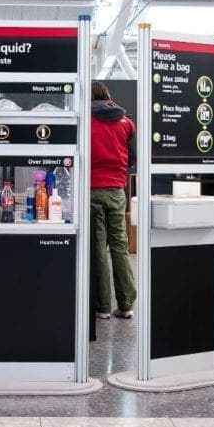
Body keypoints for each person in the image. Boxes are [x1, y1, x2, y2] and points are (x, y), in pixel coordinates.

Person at [90, 81, 137, 320]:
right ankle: (126, 304)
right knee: (119, 245)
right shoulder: (127, 123)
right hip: (118, 190)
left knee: (98, 248)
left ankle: (102, 308)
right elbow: (132, 159)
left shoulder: (86, 121)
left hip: (92, 190)